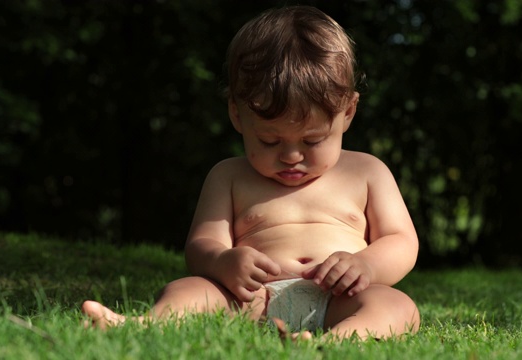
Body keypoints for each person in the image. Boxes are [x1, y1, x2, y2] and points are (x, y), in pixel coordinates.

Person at [82, 5, 420, 341]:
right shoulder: (228, 176)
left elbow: (401, 240)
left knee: (396, 306)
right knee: (188, 289)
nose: (291, 155)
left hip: (339, 299)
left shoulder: (366, 171)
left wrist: (367, 266)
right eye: (269, 140)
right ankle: (139, 324)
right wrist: (224, 262)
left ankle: (333, 343)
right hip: (253, 299)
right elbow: (201, 245)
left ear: (347, 113)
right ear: (237, 115)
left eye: (312, 140)